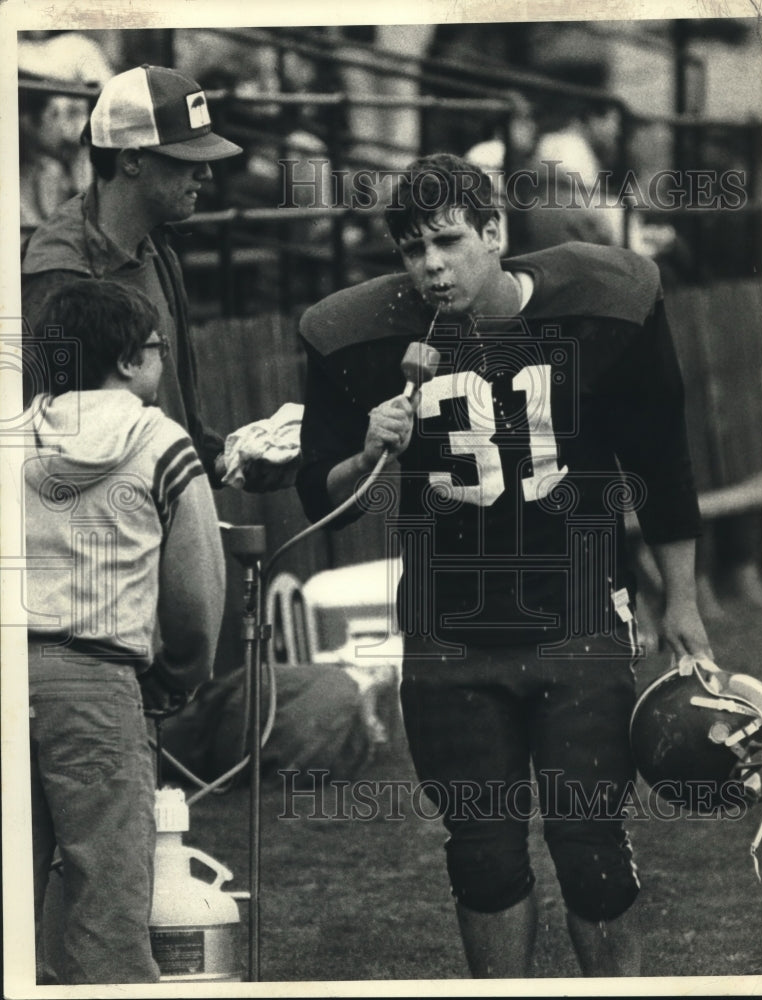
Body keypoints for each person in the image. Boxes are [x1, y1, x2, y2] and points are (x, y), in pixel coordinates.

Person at [295, 153, 713, 978]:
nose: (432, 266)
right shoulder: (367, 337)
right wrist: (369, 450)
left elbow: (661, 462)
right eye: (413, 250)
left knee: (589, 843)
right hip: (448, 631)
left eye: (449, 241)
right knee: (480, 854)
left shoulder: (604, 308)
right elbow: (323, 497)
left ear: (496, 232)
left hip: (578, 613)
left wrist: (683, 601)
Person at [25, 279, 225, 984]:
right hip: (98, 685)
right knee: (105, 898)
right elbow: (195, 590)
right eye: (157, 348)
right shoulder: (158, 439)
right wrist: (180, 674)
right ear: (129, 361)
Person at [21, 64, 247, 488]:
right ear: (132, 161)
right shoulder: (58, 275)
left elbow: (177, 419)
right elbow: (49, 455)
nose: (206, 173)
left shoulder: (157, 247)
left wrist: (227, 460)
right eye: (188, 159)